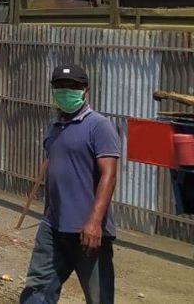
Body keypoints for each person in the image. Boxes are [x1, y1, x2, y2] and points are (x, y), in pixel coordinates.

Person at [20, 63, 120, 304]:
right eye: (60, 86)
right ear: (53, 90)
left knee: (99, 297)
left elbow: (109, 175)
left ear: (86, 91)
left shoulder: (99, 126)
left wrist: (95, 222)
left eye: (73, 86)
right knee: (37, 289)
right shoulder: (54, 127)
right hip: (53, 226)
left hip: (88, 232)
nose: (66, 91)